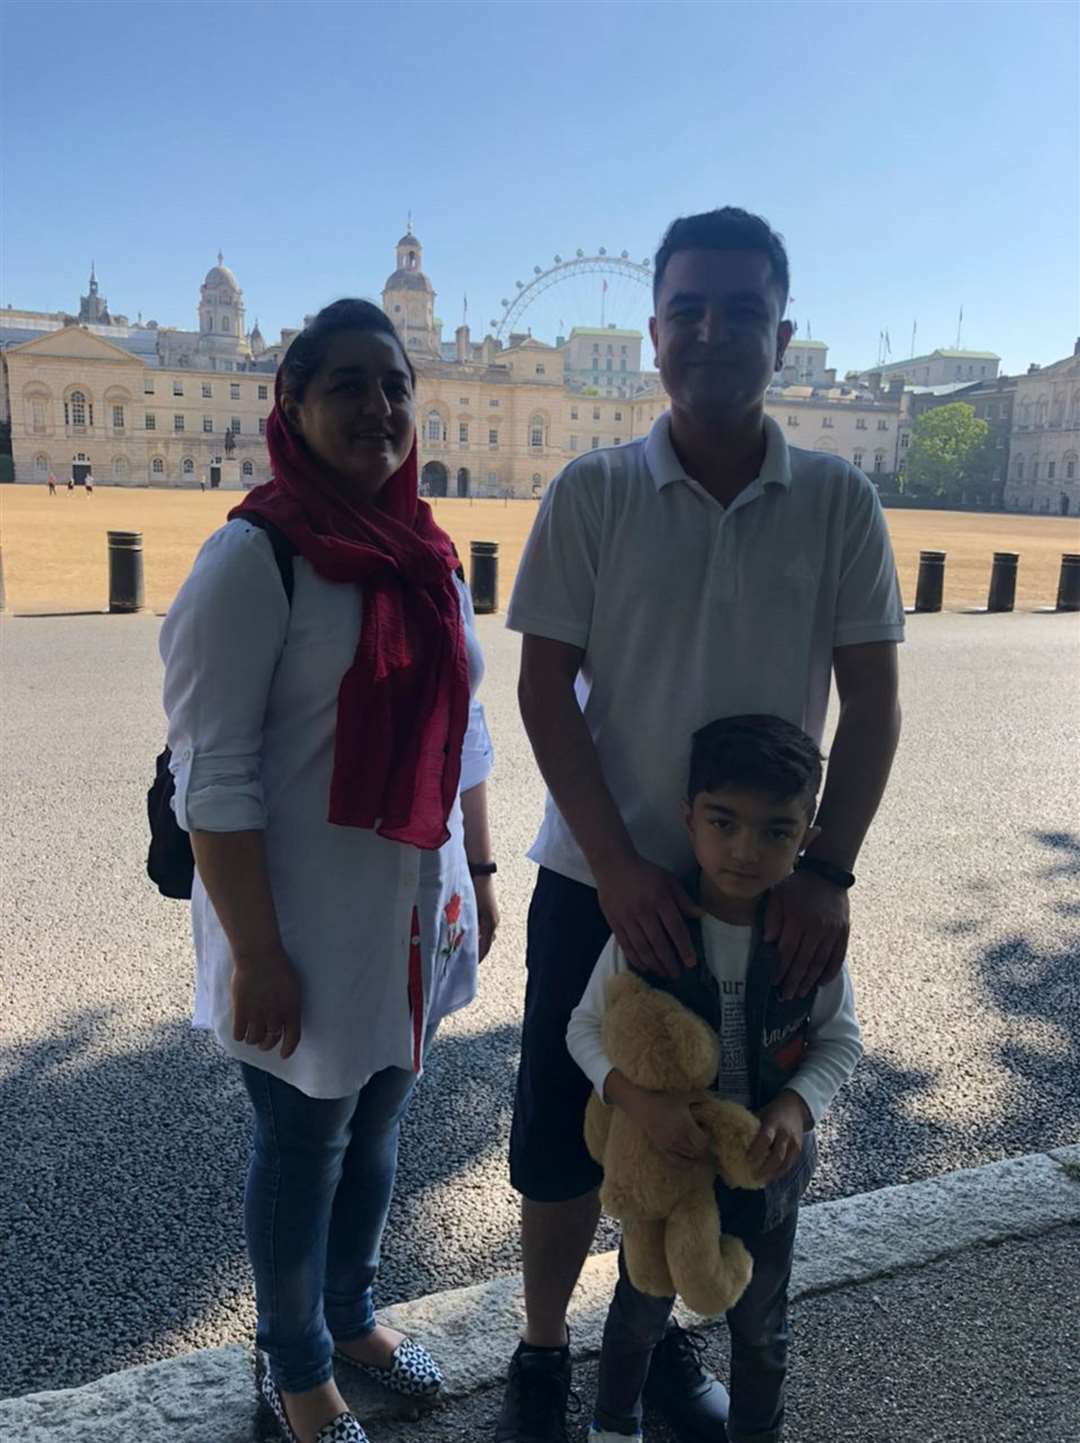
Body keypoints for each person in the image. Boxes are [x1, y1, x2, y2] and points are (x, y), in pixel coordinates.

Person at [498, 207, 903, 1442]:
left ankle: (655, 1333)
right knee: (571, 1143)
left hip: (757, 881)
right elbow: (538, 688)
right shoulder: (595, 489)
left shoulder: (839, 502)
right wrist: (617, 863)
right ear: (657, 337)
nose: (712, 332)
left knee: (731, 1134)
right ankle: (543, 1352)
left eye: (741, 311)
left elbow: (877, 706)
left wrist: (825, 872)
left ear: (781, 335)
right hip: (601, 873)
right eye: (689, 310)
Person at [160, 299, 497, 1443]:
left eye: (394, 382)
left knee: (381, 1127)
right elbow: (214, 782)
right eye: (347, 384)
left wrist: (482, 874)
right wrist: (255, 952)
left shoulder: (431, 557)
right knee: (303, 1143)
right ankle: (294, 1359)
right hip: (303, 926)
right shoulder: (254, 560)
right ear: (293, 406)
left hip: (416, 914)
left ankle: (352, 1316)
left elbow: (470, 732)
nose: (378, 406)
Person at [567, 714, 863, 1443]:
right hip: (664, 1163)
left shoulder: (805, 935)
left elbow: (839, 1039)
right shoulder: (654, 923)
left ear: (807, 836)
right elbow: (582, 1029)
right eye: (723, 822)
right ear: (688, 818)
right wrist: (639, 1102)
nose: (743, 850)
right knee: (639, 1304)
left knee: (761, 1323)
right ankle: (614, 1423)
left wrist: (796, 1108)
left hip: (768, 1172)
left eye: (774, 831)